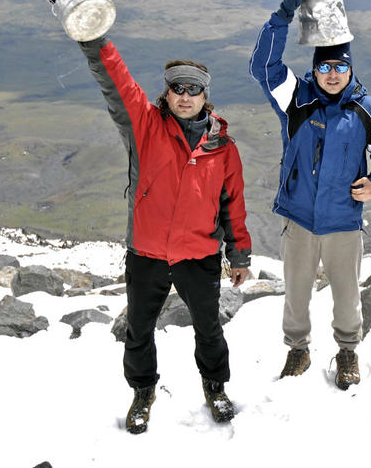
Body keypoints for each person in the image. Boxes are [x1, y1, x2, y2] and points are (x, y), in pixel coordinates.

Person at [77, 34, 252, 430]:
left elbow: (233, 206)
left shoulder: (223, 147)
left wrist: (239, 254)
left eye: (194, 90)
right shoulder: (145, 127)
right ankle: (142, 392)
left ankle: (215, 387)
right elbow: (115, 81)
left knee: (209, 329)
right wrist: (93, 38)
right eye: (178, 88)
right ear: (167, 93)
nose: (185, 96)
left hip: (199, 255)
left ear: (206, 96)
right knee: (139, 331)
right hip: (148, 253)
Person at [248, 0, 371, 390]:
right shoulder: (297, 98)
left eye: (340, 67)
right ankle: (298, 350)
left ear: (350, 69)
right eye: (325, 67)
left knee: (347, 295)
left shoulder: (370, 111)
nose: (332, 75)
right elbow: (262, 68)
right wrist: (281, 16)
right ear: (314, 69)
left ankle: (347, 351)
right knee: (296, 292)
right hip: (299, 216)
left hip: (343, 220)